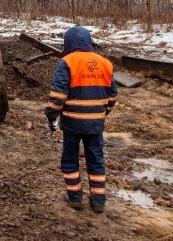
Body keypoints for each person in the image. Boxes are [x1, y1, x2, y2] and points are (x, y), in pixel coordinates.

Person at [44, 26, 118, 213]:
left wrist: (51, 115)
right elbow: (113, 95)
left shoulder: (67, 62)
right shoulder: (104, 63)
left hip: (72, 123)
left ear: (68, 43)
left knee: (70, 159)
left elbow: (58, 95)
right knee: (96, 159)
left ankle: (75, 197)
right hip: (95, 124)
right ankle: (99, 200)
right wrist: (101, 113)